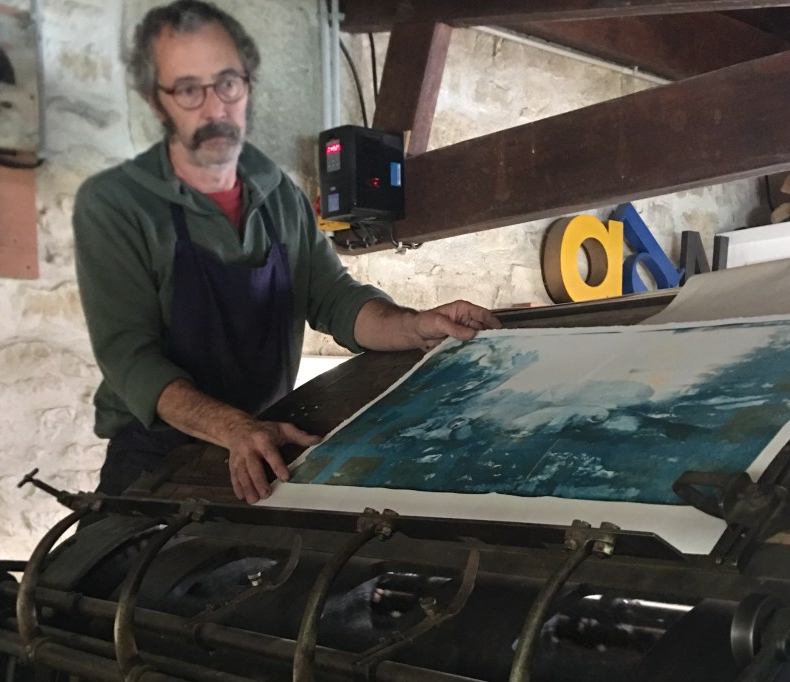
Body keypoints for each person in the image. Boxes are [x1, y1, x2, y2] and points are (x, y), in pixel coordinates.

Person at [73, 0, 500, 503]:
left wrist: (414, 325)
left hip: (267, 436)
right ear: (156, 102)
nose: (215, 109)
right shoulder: (116, 203)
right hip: (157, 454)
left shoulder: (279, 194)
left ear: (248, 85)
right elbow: (131, 360)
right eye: (188, 90)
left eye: (227, 83)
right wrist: (233, 427)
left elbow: (334, 298)